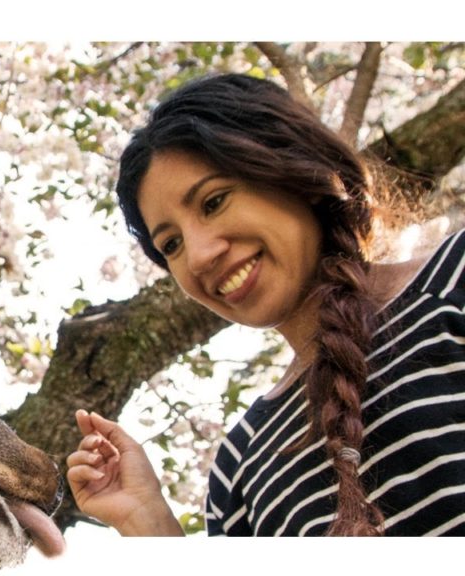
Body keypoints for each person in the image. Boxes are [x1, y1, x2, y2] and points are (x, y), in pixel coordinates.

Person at [66, 73, 465, 536]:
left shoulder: (454, 281)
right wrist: (148, 521)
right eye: (171, 244)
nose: (198, 256)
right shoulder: (241, 468)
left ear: (298, 171)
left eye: (213, 202)